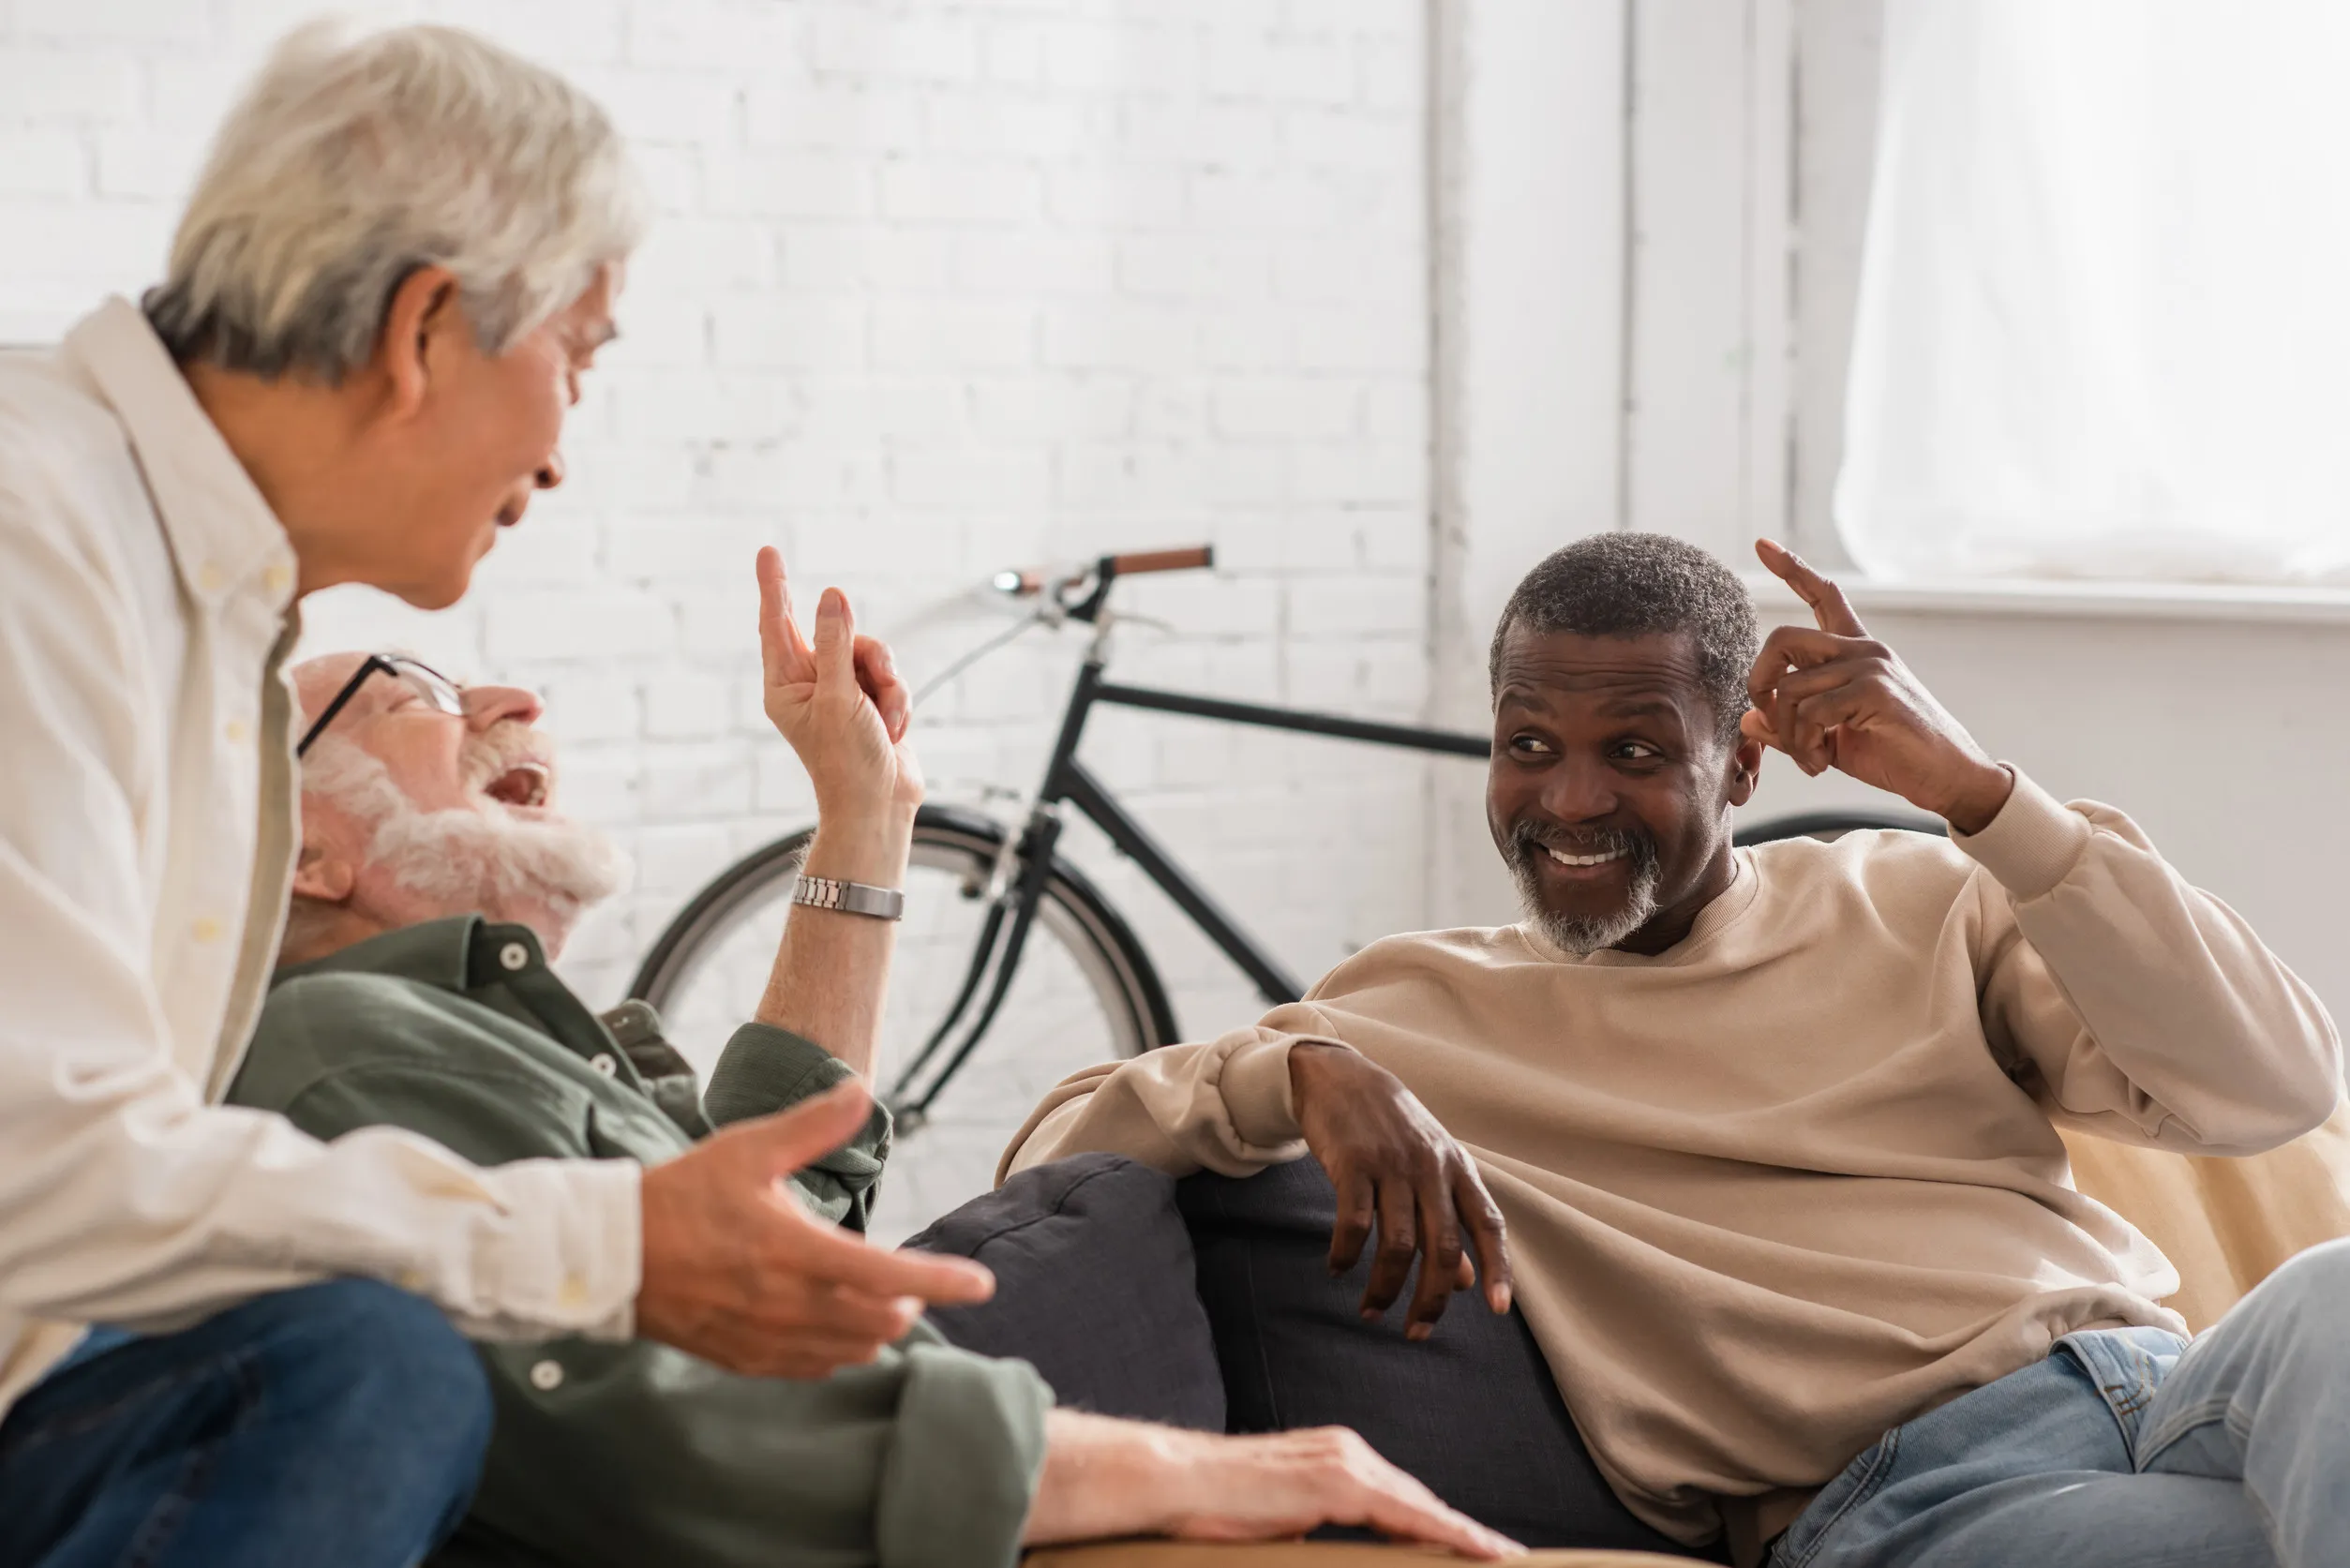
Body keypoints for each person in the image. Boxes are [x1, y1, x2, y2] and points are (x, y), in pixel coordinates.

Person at [0, 23, 992, 1566]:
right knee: (370, 1361)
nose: (566, 449)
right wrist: (601, 1248)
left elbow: (786, 1218)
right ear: (424, 326)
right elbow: (42, 1166)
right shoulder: (33, 536)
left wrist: (862, 828)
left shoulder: (189, 600)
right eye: (579, 359)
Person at [1003, 531, 2347, 1568]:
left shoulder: (1913, 896)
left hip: (2176, 1381)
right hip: (1925, 1498)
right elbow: (1048, 1156)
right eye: (1528, 747)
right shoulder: (1405, 1011)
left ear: (1739, 766)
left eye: (1635, 750)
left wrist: (1979, 798)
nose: (1570, 800)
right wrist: (1288, 1070)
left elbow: (2274, 1086)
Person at [222, 547, 1521, 1568]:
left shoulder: (483, 1034)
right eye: (410, 692)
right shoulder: (341, 1052)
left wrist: (864, 811)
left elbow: (779, 1215)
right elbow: (674, 1440)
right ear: (303, 853)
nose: (512, 701)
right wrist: (1227, 1470)